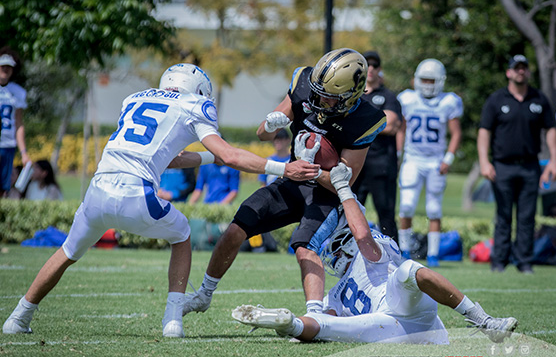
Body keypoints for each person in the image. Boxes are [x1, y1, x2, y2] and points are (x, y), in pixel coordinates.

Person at [2, 63, 319, 338]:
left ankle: (19, 317)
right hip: (136, 194)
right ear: (197, 89)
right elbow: (230, 154)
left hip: (98, 190)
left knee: (67, 252)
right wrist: (283, 167)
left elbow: (170, 158)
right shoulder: (195, 105)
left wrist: (213, 159)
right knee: (181, 234)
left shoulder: (136, 98)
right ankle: (172, 321)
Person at [183, 48, 386, 317]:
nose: (319, 98)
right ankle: (204, 295)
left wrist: (312, 169)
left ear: (351, 96)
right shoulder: (303, 83)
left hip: (326, 195)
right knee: (237, 227)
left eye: (328, 97)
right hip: (290, 182)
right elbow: (264, 134)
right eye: (318, 90)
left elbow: (342, 183)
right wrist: (270, 125)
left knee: (304, 246)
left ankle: (315, 315)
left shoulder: (366, 120)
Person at [232, 163, 518, 344]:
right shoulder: (337, 290)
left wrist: (344, 191)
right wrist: (343, 188)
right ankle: (286, 322)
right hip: (386, 327)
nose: (335, 256)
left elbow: (363, 236)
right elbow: (327, 320)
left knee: (408, 271)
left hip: (408, 311)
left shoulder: (366, 252)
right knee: (325, 324)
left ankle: (482, 320)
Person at [478, 54, 556, 274]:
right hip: (502, 166)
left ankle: (524, 262)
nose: (520, 71)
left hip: (530, 166)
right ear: (509, 72)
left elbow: (551, 129)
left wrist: (553, 161)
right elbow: (484, 132)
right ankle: (499, 261)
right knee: (503, 215)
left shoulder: (539, 99)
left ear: (528, 72)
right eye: (517, 68)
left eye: (524, 68)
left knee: (527, 216)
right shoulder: (496, 99)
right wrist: (484, 162)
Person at [396, 59, 463, 267]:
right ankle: (405, 250)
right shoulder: (407, 99)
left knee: (434, 209)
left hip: (435, 161)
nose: (427, 84)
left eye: (431, 80)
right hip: (413, 159)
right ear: (416, 79)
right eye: (424, 79)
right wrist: (398, 154)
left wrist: (448, 158)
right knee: (406, 206)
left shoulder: (448, 102)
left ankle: (433, 255)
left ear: (440, 81)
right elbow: (401, 129)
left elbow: (456, 133)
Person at [351, 50, 402, 242]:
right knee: (350, 213)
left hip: (381, 164)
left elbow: (391, 125)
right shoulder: (353, 94)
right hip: (355, 164)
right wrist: (375, 121)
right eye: (366, 65)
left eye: (374, 65)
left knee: (386, 213)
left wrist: (356, 123)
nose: (370, 69)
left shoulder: (388, 95)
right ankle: (348, 258)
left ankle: (393, 259)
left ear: (379, 69)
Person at [0, 46, 31, 197]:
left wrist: (24, 152)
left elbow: (19, 123)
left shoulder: (17, 92)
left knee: (3, 187)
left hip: (7, 144)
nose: (5, 70)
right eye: (2, 66)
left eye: (8, 67)